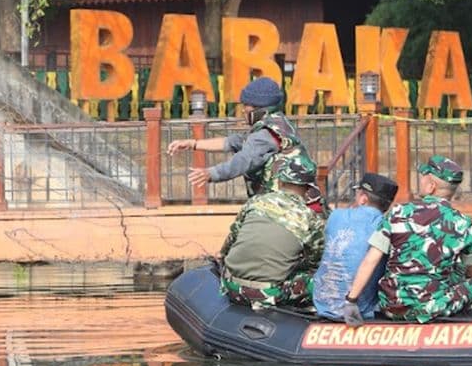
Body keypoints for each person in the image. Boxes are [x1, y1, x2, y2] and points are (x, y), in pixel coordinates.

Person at [340, 155, 472, 325]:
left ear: (431, 186)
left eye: (424, 177)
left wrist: (351, 300)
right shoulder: (462, 223)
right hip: (432, 307)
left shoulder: (398, 213)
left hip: (392, 306)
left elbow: (371, 260)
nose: (420, 180)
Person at [217, 152, 326, 311]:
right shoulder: (311, 219)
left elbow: (233, 236)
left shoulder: (256, 201)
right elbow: (315, 261)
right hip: (268, 294)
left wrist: (221, 254)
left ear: (280, 181)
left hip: (231, 287)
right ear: (308, 189)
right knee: (319, 278)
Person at [167, 77, 303, 195]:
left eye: (246, 106)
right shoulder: (277, 124)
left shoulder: (265, 134)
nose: (243, 110)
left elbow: (244, 160)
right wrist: (192, 144)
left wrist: (211, 173)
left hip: (286, 205)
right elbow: (233, 142)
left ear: (259, 108)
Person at [311, 173, 399, 320]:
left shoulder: (336, 216)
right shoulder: (385, 225)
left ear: (363, 198)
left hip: (321, 303)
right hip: (359, 309)